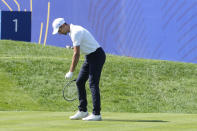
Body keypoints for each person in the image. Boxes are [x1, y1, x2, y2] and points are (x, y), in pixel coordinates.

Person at [52, 18, 106, 121]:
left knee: (93, 84)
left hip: (97, 56)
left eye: (59, 30)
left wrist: (71, 71)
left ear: (63, 26)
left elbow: (76, 54)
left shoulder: (76, 32)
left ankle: (96, 114)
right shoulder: (72, 32)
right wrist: (74, 48)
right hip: (90, 56)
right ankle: (83, 111)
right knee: (80, 82)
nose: (59, 33)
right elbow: (80, 47)